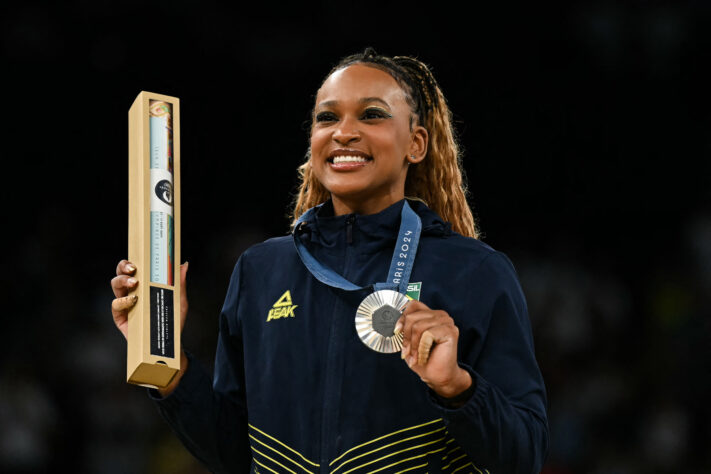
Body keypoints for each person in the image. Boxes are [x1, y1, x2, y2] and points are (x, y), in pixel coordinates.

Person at [111, 48, 548, 473]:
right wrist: (165, 357)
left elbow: (524, 453)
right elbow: (233, 453)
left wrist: (456, 387)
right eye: (327, 117)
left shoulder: (474, 271)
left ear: (416, 144)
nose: (344, 132)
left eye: (372, 114)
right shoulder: (261, 271)